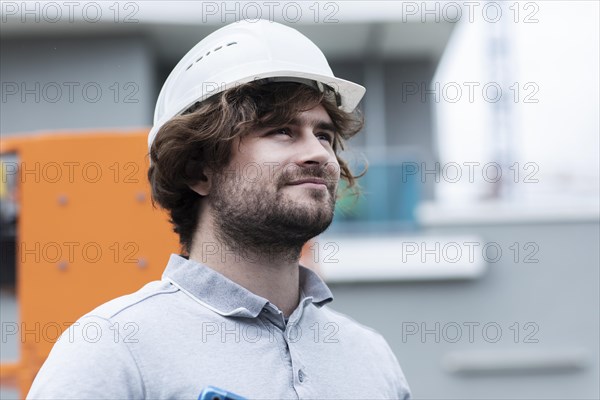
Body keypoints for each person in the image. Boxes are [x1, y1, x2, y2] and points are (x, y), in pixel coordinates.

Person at [27, 20, 411, 399]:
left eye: (323, 135)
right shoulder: (114, 349)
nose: (317, 154)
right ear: (199, 170)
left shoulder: (371, 358)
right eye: (282, 131)